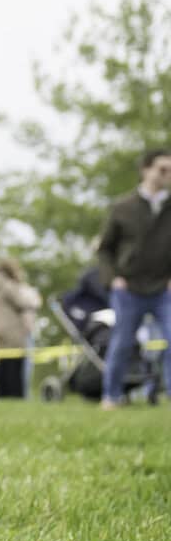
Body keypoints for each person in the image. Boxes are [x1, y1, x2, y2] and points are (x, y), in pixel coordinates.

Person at [95, 148, 171, 408]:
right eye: (162, 169)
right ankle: (111, 395)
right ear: (146, 170)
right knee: (122, 343)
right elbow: (104, 249)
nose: (167, 175)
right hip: (128, 288)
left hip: (164, 289)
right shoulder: (122, 207)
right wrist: (113, 278)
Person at [0, 258, 40, 399]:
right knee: (15, 362)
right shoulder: (8, 285)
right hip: (12, 329)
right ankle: (15, 395)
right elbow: (22, 303)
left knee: (3, 363)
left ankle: (1, 394)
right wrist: (34, 299)